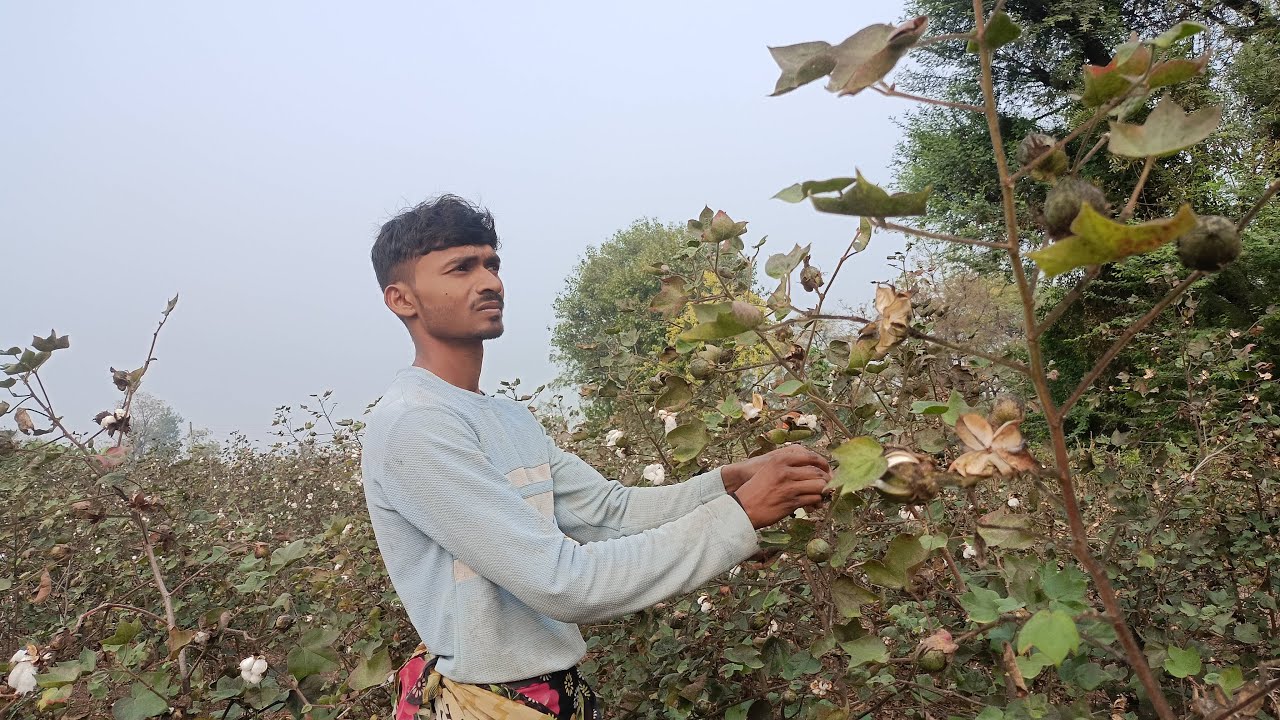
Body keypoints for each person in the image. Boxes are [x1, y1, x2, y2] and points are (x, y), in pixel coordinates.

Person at [361, 195, 832, 720]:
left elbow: (609, 512)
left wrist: (726, 483)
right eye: (460, 268)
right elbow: (563, 583)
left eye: (492, 264)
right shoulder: (414, 425)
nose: (489, 282)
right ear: (401, 299)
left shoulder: (510, 420)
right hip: (486, 703)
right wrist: (740, 515)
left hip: (557, 692)